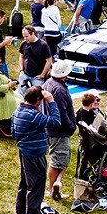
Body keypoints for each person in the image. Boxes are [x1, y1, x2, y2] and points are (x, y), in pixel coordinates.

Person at [12, 86, 61, 214]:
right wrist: (51, 102)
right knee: (36, 189)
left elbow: (13, 133)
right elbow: (56, 121)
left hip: (24, 152)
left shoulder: (17, 112)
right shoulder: (33, 115)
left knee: (24, 185)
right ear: (38, 100)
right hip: (35, 155)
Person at [42, 59, 76, 201]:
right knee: (57, 160)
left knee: (63, 157)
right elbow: (61, 112)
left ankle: (57, 183)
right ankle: (52, 189)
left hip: (52, 128)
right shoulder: (60, 90)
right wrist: (71, 125)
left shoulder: (49, 82)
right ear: (64, 74)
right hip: (59, 131)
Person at [17, 25, 51, 89]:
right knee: (20, 94)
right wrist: (21, 69)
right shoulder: (24, 43)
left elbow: (49, 61)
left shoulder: (43, 45)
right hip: (24, 75)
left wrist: (42, 75)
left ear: (32, 33)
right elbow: (21, 56)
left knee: (37, 97)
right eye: (24, 36)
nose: (25, 39)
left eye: (27, 36)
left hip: (37, 78)